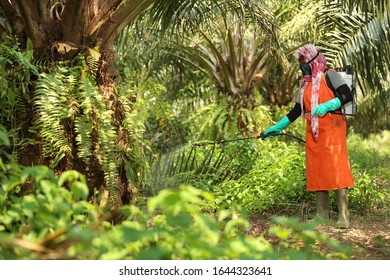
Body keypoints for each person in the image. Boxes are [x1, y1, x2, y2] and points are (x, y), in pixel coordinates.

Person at [262, 44, 354, 228]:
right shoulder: (304, 84)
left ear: (313, 59)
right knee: (317, 169)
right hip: (314, 132)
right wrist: (276, 127)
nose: (301, 65)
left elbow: (347, 95)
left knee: (337, 168)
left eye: (303, 61)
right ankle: (321, 214)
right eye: (300, 62)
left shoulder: (330, 75)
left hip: (333, 129)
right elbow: (297, 110)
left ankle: (343, 216)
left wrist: (327, 105)